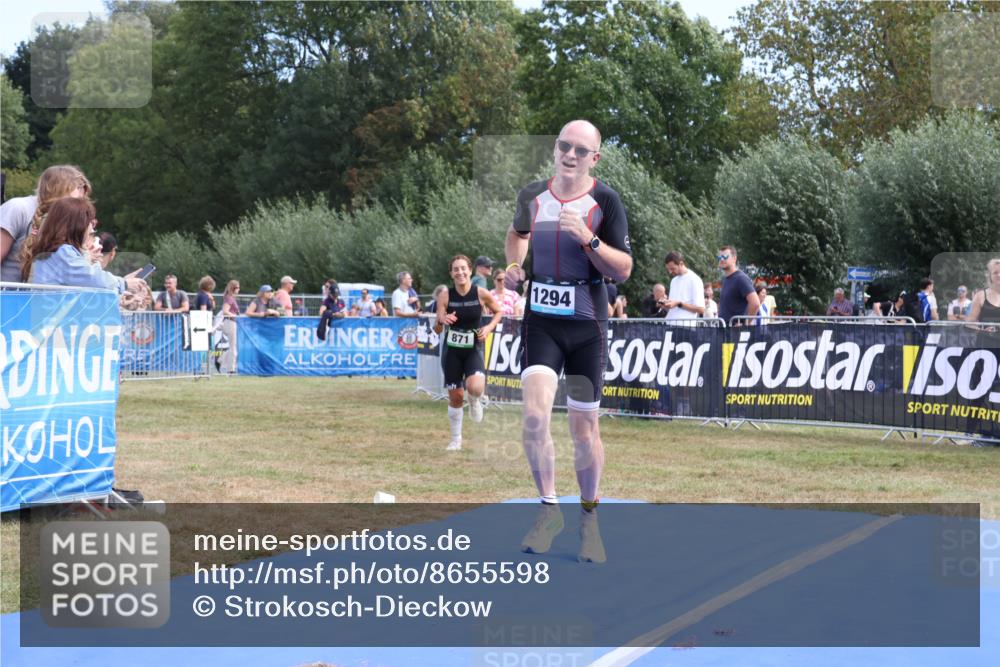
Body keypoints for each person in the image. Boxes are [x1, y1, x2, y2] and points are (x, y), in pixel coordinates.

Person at [504, 119, 632, 563]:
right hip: (541, 322)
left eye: (581, 149)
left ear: (594, 158)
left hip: (586, 327)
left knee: (584, 430)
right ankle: (548, 510)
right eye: (564, 146)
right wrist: (515, 267)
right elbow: (516, 236)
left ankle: (589, 520)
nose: (570, 154)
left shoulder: (606, 201)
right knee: (535, 417)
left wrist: (589, 239)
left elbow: (623, 269)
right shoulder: (531, 196)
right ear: (555, 150)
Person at [433, 255, 503, 451]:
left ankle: (474, 400)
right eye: (456, 269)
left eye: (463, 268)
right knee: (455, 397)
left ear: (470, 271)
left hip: (473, 348)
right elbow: (437, 329)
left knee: (475, 388)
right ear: (451, 274)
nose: (460, 272)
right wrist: (441, 321)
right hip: (452, 351)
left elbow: (499, 311)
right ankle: (456, 439)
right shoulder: (445, 296)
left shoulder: (480, 293)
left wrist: (488, 328)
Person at [20, 197, 145, 294]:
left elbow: (89, 278)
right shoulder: (63, 252)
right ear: (77, 225)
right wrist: (124, 283)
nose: (91, 228)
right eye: (89, 222)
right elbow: (93, 279)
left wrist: (123, 281)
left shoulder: (54, 250)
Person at [1, 165, 91, 283]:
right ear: (59, 189)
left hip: (34, 298)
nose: (79, 204)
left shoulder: (63, 222)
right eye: (76, 198)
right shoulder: (18, 208)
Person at [718, 245, 760, 326]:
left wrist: (746, 323)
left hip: (736, 331)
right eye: (719, 257)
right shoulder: (725, 279)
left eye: (725, 256)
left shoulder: (741, 278)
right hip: (723, 329)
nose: (722, 259)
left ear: (734, 258)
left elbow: (755, 303)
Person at [663, 251, 705, 321]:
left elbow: (701, 309)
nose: (670, 272)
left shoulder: (695, 279)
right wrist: (665, 304)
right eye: (668, 269)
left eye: (672, 269)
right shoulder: (673, 280)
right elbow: (673, 305)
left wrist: (679, 304)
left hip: (685, 326)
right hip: (669, 324)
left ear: (681, 264)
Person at [219, 280, 241, 373]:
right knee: (233, 347)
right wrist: (234, 315)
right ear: (233, 288)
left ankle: (220, 360)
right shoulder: (230, 298)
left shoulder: (231, 297)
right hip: (230, 323)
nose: (239, 289)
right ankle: (231, 369)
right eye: (238, 287)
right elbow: (225, 311)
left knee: (233, 346)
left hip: (231, 322)